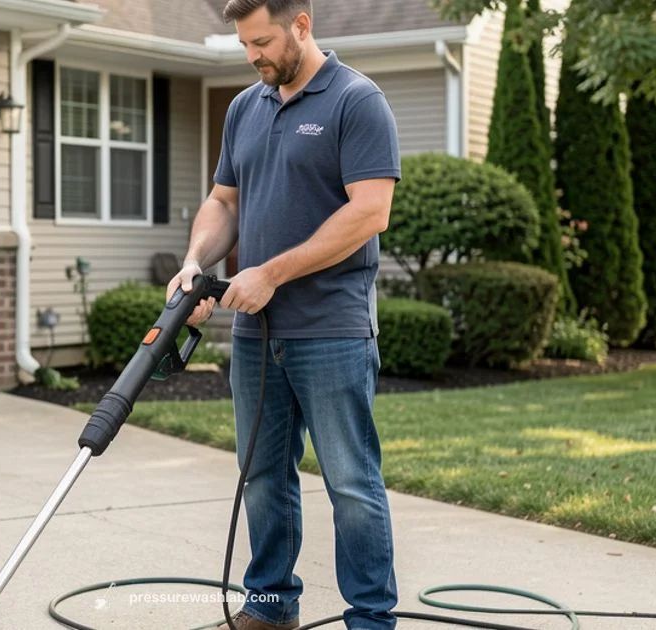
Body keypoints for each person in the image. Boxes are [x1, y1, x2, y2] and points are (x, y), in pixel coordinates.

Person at [164, 1, 401, 629]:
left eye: (263, 41)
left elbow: (369, 212)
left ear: (302, 23)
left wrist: (271, 272)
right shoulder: (245, 107)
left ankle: (371, 621)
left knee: (350, 483)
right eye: (245, 45)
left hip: (331, 330)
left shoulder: (356, 100)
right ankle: (270, 610)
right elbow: (223, 203)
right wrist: (195, 261)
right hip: (255, 334)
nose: (254, 56)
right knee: (263, 476)